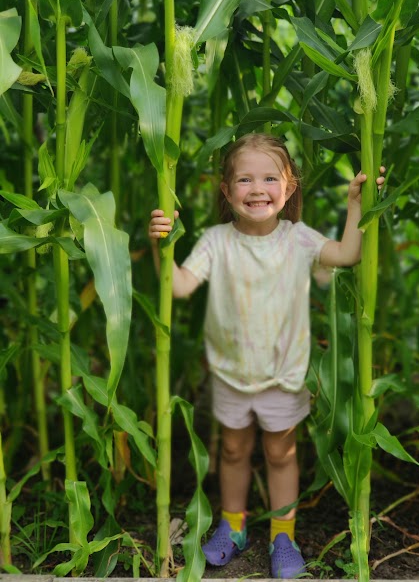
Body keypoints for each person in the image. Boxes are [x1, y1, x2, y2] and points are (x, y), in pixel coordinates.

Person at [148, 133, 385, 579]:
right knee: (234, 449)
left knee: (281, 452)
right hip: (231, 373)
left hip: (283, 374)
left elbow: (349, 254)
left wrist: (356, 204)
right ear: (226, 190)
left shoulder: (298, 240)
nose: (257, 189)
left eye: (269, 178)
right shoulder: (216, 242)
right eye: (244, 179)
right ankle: (232, 525)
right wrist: (164, 245)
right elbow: (179, 286)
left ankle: (283, 535)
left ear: (290, 187)